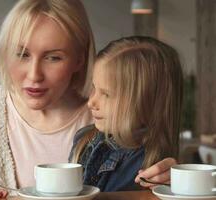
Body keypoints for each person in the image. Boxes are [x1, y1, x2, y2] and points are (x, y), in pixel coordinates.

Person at [0, 0, 176, 198]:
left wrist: (169, 183)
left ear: (80, 59)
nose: (34, 75)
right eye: (22, 54)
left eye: (53, 57)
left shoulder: (112, 115)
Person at [69, 36, 183, 192]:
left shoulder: (149, 163)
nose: (91, 102)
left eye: (106, 94)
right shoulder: (83, 139)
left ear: (146, 103)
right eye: (94, 88)